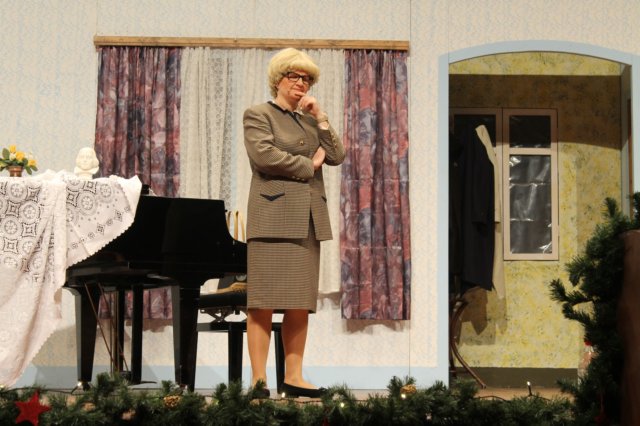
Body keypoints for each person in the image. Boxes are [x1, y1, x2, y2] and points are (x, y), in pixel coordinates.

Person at [243, 48, 345, 398]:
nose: (302, 83)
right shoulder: (258, 114)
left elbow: (336, 156)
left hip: (308, 220)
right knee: (262, 303)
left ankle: (294, 377)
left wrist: (321, 117)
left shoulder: (310, 121)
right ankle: (259, 381)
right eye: (295, 76)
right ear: (278, 79)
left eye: (307, 79)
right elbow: (264, 156)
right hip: (272, 218)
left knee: (300, 302)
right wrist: (308, 166)